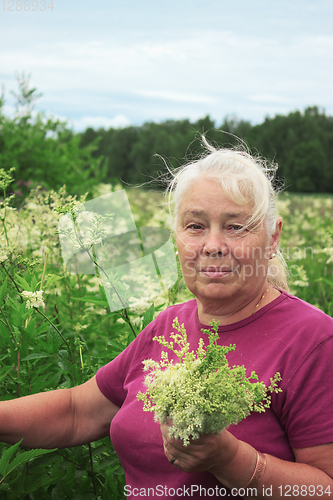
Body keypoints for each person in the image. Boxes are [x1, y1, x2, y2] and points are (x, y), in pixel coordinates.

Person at [1, 140, 333, 499]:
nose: (212, 245)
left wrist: (230, 459)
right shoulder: (169, 327)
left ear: (273, 238)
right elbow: (76, 412)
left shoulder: (314, 341)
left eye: (236, 227)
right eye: (195, 226)